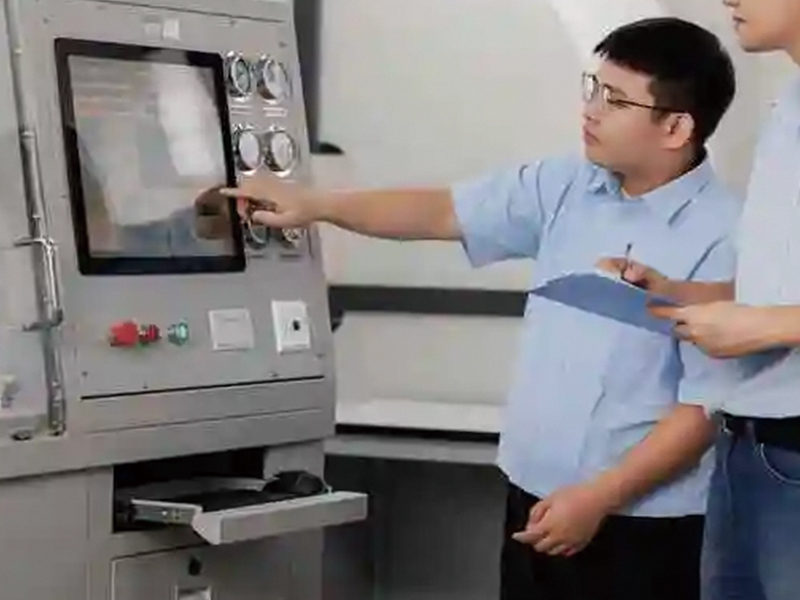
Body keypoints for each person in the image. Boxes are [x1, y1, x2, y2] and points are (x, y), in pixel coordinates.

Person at [223, 18, 741, 600]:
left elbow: (703, 411)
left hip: (641, 524)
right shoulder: (567, 185)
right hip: (533, 499)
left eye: (616, 101)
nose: (591, 111)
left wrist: (599, 498)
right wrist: (315, 205)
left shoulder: (724, 235)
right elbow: (444, 211)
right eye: (593, 88)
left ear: (675, 127)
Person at [600, 2, 800, 600]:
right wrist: (680, 294)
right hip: (748, 443)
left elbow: (777, 317)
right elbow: (781, 290)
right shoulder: (789, 104)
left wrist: (768, 327)